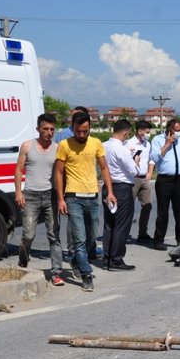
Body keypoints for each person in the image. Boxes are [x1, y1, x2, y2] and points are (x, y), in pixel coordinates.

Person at [55, 111, 115, 292]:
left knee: (91, 239)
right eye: (78, 131)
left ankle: (76, 260)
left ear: (89, 128)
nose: (82, 135)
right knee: (79, 239)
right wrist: (60, 199)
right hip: (73, 198)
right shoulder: (64, 145)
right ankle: (86, 274)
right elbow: (58, 172)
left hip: (92, 197)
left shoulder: (96, 143)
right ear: (72, 128)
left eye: (85, 131)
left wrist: (110, 192)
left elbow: (104, 167)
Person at [14, 112, 65, 286]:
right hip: (31, 196)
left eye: (52, 129)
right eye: (45, 129)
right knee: (28, 234)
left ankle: (57, 272)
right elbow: (19, 170)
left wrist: (61, 197)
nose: (49, 132)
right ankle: (23, 264)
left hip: (50, 195)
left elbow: (61, 173)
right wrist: (18, 192)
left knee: (54, 235)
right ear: (38, 129)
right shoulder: (28, 146)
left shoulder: (58, 148)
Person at [101, 119, 138, 270]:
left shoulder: (103, 145)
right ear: (125, 133)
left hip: (107, 186)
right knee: (121, 225)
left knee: (109, 224)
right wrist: (135, 159)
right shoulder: (122, 149)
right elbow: (134, 170)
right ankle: (116, 259)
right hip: (122, 188)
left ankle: (107, 258)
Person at [150, 118, 180, 251]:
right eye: (176, 130)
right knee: (163, 212)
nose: (178, 133)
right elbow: (154, 158)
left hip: (178, 179)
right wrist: (167, 144)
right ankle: (159, 240)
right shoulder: (157, 139)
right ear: (169, 129)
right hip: (164, 180)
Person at [125, 120, 155, 243]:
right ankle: (124, 232)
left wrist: (149, 172)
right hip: (132, 178)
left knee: (147, 205)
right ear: (139, 131)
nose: (149, 134)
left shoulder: (147, 144)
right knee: (128, 207)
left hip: (144, 178)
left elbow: (151, 159)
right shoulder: (128, 143)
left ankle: (143, 232)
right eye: (147, 132)